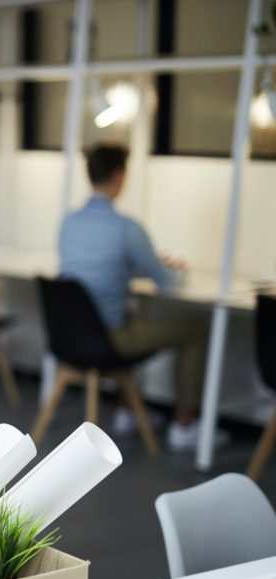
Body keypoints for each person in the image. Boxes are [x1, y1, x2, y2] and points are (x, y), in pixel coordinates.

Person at [58, 143, 219, 452]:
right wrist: (177, 269)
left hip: (71, 336)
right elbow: (168, 283)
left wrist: (134, 269)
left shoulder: (69, 222)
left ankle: (128, 411)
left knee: (132, 315)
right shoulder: (126, 228)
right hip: (109, 338)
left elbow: (96, 270)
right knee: (196, 328)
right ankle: (184, 426)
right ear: (120, 175)